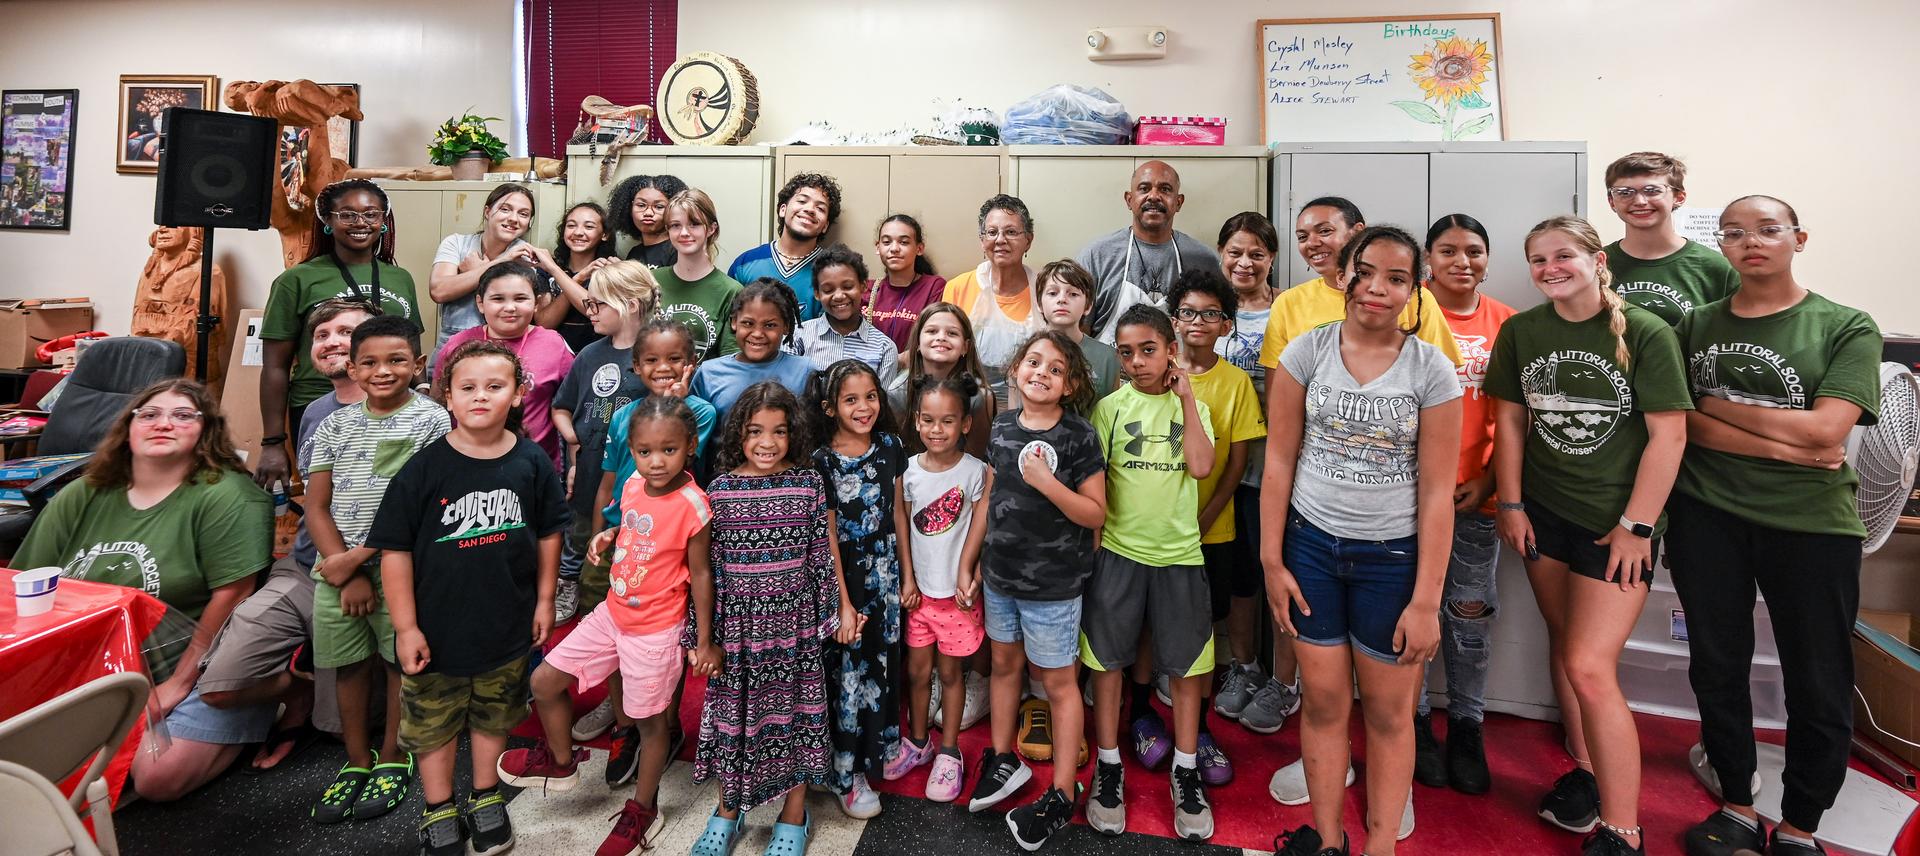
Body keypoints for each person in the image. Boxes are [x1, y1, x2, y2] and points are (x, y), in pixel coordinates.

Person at [1670, 196, 1880, 856]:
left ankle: (1799, 825)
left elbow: (1829, 427)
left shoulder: (1845, 325)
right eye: (1734, 233)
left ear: (1799, 237)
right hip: (1708, 516)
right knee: (1716, 665)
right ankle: (1735, 803)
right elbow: (1685, 420)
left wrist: (1727, 411)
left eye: (1767, 229)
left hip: (1812, 524)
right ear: (1722, 247)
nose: (1750, 241)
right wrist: (1795, 449)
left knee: (1816, 678)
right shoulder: (1694, 322)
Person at [1486, 216, 1691, 856]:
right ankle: (1589, 773)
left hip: (1616, 529)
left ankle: (1624, 830)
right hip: (1545, 517)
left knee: (1589, 665)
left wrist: (1638, 527)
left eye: (1563, 256)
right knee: (1565, 644)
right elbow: (1512, 424)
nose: (1550, 269)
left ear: (1596, 259)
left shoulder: (1647, 333)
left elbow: (1670, 436)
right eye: (1538, 260)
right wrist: (1512, 503)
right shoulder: (1523, 330)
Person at [1258, 198, 1462, 818]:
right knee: (1323, 706)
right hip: (1312, 548)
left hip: (1393, 561)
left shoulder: (1433, 370)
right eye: (1366, 271)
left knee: (1388, 714)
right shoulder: (1306, 353)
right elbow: (1277, 463)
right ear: (1344, 274)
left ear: (1413, 289)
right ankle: (1325, 836)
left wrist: (1427, 599)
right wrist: (1271, 560)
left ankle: (1377, 839)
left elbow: (1436, 492)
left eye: (1397, 278)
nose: (1377, 288)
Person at [14, 380, 273, 802]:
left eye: (182, 415)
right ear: (127, 428)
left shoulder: (227, 497)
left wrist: (177, 685)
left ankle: (269, 697)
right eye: (149, 414)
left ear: (205, 430)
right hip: (88, 668)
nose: (163, 424)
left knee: (158, 775)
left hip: (189, 667)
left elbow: (233, 595)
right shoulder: (83, 494)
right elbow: (24, 585)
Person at [369, 341, 569, 856]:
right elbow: (394, 552)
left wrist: (546, 600)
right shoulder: (423, 470)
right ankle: (438, 806)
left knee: (493, 715)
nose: (481, 397)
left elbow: (549, 534)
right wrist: (406, 627)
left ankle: (484, 796)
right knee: (433, 725)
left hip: (506, 626)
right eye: (468, 388)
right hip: (435, 631)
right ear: (448, 398)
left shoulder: (531, 463)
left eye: (495, 386)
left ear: (520, 395)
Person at [498, 396, 717, 856]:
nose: (655, 462)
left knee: (649, 722)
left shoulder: (694, 505)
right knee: (543, 681)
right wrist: (608, 533)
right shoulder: (635, 483)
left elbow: (700, 573)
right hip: (613, 613)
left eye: (668, 450)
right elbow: (633, 527)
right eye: (644, 451)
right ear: (631, 450)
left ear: (690, 446)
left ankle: (645, 809)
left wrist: (704, 640)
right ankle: (560, 762)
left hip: (655, 630)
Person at [198, 300, 373, 769]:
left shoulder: (411, 413)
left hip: (366, 575)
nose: (333, 341)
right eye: (323, 335)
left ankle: (318, 702)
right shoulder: (315, 411)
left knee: (338, 729)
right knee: (218, 684)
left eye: (348, 332)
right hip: (300, 570)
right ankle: (301, 687)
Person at [689, 382, 858, 856]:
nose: (768, 442)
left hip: (794, 631)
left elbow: (822, 557)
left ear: (793, 434)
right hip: (738, 633)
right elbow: (705, 570)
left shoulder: (808, 483)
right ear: (737, 434)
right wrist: (701, 637)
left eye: (780, 432)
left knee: (796, 721)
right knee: (734, 722)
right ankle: (728, 809)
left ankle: (794, 814)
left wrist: (837, 611)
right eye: (755, 431)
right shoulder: (718, 491)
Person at [304, 314, 450, 824]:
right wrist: (341, 569)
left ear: (418, 364)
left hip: (400, 566)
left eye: (396, 361)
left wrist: (359, 561)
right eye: (369, 362)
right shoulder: (334, 424)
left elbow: (424, 507)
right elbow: (316, 505)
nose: (382, 371)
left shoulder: (433, 421)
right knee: (348, 664)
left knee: (396, 663)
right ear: (352, 365)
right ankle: (356, 760)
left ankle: (394, 753)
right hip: (338, 570)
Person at [1080, 305, 1218, 843]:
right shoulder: (1111, 408)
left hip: (1180, 556)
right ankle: (1109, 764)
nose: (1138, 362)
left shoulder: (1194, 406)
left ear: (1170, 352)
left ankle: (1186, 770)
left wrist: (1185, 398)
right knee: (1108, 662)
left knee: (1185, 668)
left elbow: (1202, 467)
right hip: (1118, 553)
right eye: (1127, 352)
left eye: (1149, 350)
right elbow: (1098, 486)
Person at [968, 331, 1105, 852]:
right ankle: (1003, 760)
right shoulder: (1001, 426)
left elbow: (1095, 514)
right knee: (1004, 667)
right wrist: (969, 563)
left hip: (1053, 586)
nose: (1041, 373)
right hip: (1000, 577)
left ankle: (1062, 793)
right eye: (1033, 362)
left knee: (1057, 684)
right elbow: (989, 498)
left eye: (1055, 368)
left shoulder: (1079, 437)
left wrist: (1049, 484)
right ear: (1016, 370)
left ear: (1069, 385)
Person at [577, 318, 718, 786]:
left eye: (675, 359)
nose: (664, 367)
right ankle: (626, 725)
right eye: (652, 360)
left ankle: (662, 721)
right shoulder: (622, 416)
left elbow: (678, 465)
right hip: (620, 537)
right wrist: (601, 529)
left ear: (691, 363)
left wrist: (671, 402)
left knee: (660, 643)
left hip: (664, 543)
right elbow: (611, 480)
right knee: (617, 633)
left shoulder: (698, 411)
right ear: (635, 366)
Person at [1411, 214, 1517, 797]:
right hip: (1406, 499)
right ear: (1428, 258)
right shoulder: (1408, 315)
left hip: (1476, 497)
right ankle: (1418, 720)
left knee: (1468, 615)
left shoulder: (1509, 324)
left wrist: (1490, 482)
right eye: (1448, 250)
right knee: (1411, 611)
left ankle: (1468, 724)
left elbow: (1517, 419)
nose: (1462, 261)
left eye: (1474, 250)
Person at [1167, 269, 1267, 787]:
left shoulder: (1234, 383)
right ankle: (1153, 712)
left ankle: (1198, 729)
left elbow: (1237, 464)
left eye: (1210, 313)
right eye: (1188, 312)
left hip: (1213, 528)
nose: (1197, 322)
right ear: (1174, 319)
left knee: (1206, 628)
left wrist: (1207, 516)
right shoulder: (1152, 371)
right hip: (1154, 531)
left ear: (1226, 324)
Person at [256, 179, 420, 488]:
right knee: (327, 499)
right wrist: (272, 442)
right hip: (320, 404)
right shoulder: (296, 280)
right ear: (328, 221)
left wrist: (423, 395)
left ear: (383, 221)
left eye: (371, 214)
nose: (360, 223)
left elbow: (411, 348)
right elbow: (275, 366)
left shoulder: (401, 278)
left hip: (392, 404)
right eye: (347, 214)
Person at [807, 359, 909, 819]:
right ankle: (845, 774)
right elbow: (826, 536)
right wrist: (843, 605)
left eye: (871, 396)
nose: (864, 407)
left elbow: (900, 516)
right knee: (847, 674)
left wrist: (907, 576)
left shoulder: (891, 446)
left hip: (884, 576)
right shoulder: (821, 461)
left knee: (880, 667)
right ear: (831, 407)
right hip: (843, 579)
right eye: (851, 399)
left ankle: (877, 750)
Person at [884, 373, 991, 802]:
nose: (936, 430)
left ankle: (949, 753)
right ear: (915, 421)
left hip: (956, 598)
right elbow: (902, 527)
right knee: (916, 671)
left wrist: (974, 577)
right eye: (928, 420)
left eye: (947, 421)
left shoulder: (977, 472)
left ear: (965, 424)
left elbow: (982, 532)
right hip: (919, 595)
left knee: (950, 675)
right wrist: (907, 579)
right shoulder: (907, 471)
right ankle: (917, 742)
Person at [1210, 212, 1290, 734]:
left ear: (1271, 259)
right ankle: (1244, 666)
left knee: (1280, 576)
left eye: (1256, 254)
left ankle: (1286, 681)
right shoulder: (1204, 310)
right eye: (1235, 252)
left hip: (1275, 469)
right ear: (1221, 254)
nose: (1244, 262)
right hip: (1218, 471)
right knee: (1238, 579)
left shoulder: (1289, 309)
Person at [550, 261, 656, 622]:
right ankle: (571, 585)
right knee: (578, 531)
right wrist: (574, 444)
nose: (588, 311)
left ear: (629, 303)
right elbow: (562, 408)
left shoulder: (653, 354)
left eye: (597, 305)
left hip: (632, 474)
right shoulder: (590, 354)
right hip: (590, 468)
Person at [431, 261, 576, 471]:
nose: (510, 307)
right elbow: (440, 400)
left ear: (536, 303)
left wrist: (574, 457)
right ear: (480, 303)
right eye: (498, 299)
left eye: (520, 298)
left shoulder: (554, 344)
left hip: (535, 467)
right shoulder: (458, 344)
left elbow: (573, 403)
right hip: (466, 463)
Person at [1076, 160, 1220, 341]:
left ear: (1179, 202)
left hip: (1179, 368)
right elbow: (1079, 332)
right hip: (1107, 368)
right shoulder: (1096, 256)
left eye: (1165, 189)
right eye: (1144, 189)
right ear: (1129, 200)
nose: (1154, 196)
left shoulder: (1204, 260)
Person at [1600, 152, 1739, 328]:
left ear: (1678, 197)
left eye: (1652, 191)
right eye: (1625, 192)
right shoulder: (1595, 265)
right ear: (1612, 201)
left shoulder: (1715, 268)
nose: (1640, 201)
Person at [941, 195, 1043, 408]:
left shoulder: (1045, 291)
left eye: (1011, 232)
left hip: (1031, 410)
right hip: (967, 406)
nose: (1000, 240)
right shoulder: (958, 287)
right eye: (992, 232)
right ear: (982, 240)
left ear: (1029, 240)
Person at [428, 183, 551, 349]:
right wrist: (501, 261)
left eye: (523, 214)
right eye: (505, 209)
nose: (513, 219)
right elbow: (439, 291)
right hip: (453, 347)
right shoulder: (456, 243)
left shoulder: (527, 255)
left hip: (505, 350)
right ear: (488, 212)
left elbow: (537, 314)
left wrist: (471, 274)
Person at [689, 278, 815, 434]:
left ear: (786, 327)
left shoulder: (805, 371)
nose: (757, 334)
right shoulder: (709, 373)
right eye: (748, 323)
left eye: (769, 325)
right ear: (734, 322)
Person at [889, 302, 996, 461]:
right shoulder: (897, 392)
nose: (941, 337)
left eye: (952, 333)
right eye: (932, 331)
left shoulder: (980, 396)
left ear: (965, 347)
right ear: (917, 343)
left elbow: (976, 457)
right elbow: (895, 454)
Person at [728, 172, 842, 320]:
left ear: (825, 226)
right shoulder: (746, 263)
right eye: (802, 201)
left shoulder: (832, 270)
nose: (810, 210)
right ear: (783, 209)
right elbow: (730, 325)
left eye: (820, 208)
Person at [791, 244, 902, 388]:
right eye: (828, 290)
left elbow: (881, 404)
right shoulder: (798, 336)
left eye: (848, 287)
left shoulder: (884, 348)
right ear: (817, 294)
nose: (838, 296)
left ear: (863, 286)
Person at [653, 188, 743, 359]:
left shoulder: (731, 291)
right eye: (675, 225)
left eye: (694, 224)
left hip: (704, 384)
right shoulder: (650, 280)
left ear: (711, 229)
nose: (684, 232)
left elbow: (731, 363)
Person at [532, 201, 618, 351]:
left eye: (589, 226)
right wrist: (577, 279)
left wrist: (557, 272)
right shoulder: (546, 270)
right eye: (571, 225)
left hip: (594, 357)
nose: (578, 232)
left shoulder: (609, 271)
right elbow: (544, 323)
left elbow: (596, 312)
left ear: (604, 234)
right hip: (553, 357)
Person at [1034, 260, 1122, 398]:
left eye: (1073, 294)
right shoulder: (1026, 351)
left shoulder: (1108, 358)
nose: (1062, 299)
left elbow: (1111, 411)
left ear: (1087, 307)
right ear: (1039, 304)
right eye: (1052, 293)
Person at [868, 214, 947, 351]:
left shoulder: (933, 287)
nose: (894, 248)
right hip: (869, 370)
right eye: (886, 242)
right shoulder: (867, 289)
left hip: (914, 370)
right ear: (878, 247)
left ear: (919, 249)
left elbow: (934, 339)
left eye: (903, 242)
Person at [609, 174, 689, 267]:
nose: (648, 213)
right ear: (630, 208)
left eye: (659, 207)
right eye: (641, 205)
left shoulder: (677, 249)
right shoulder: (635, 252)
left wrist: (627, 274)